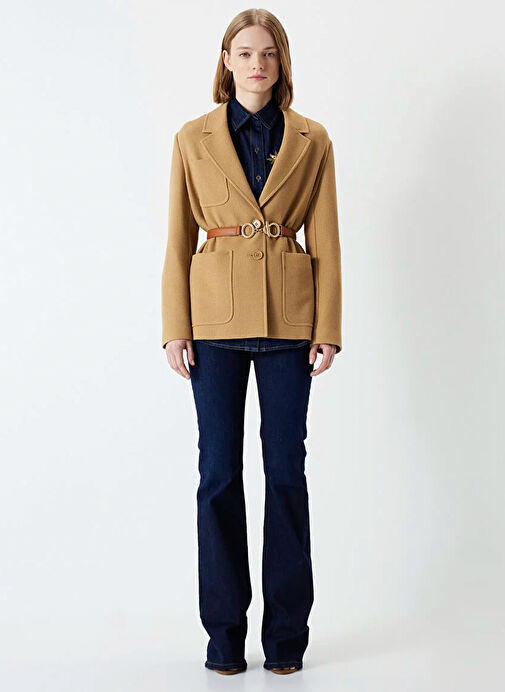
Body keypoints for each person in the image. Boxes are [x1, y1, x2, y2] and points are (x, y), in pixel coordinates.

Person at [161, 8, 342, 676]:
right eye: (244, 53)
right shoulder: (193, 137)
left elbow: (327, 240)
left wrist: (328, 329)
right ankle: (224, 638)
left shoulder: (312, 138)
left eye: (268, 53)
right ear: (226, 60)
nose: (256, 64)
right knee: (217, 474)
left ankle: (287, 640)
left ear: (281, 61)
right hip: (213, 321)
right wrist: (174, 327)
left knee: (285, 473)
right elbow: (177, 239)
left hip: (291, 322)